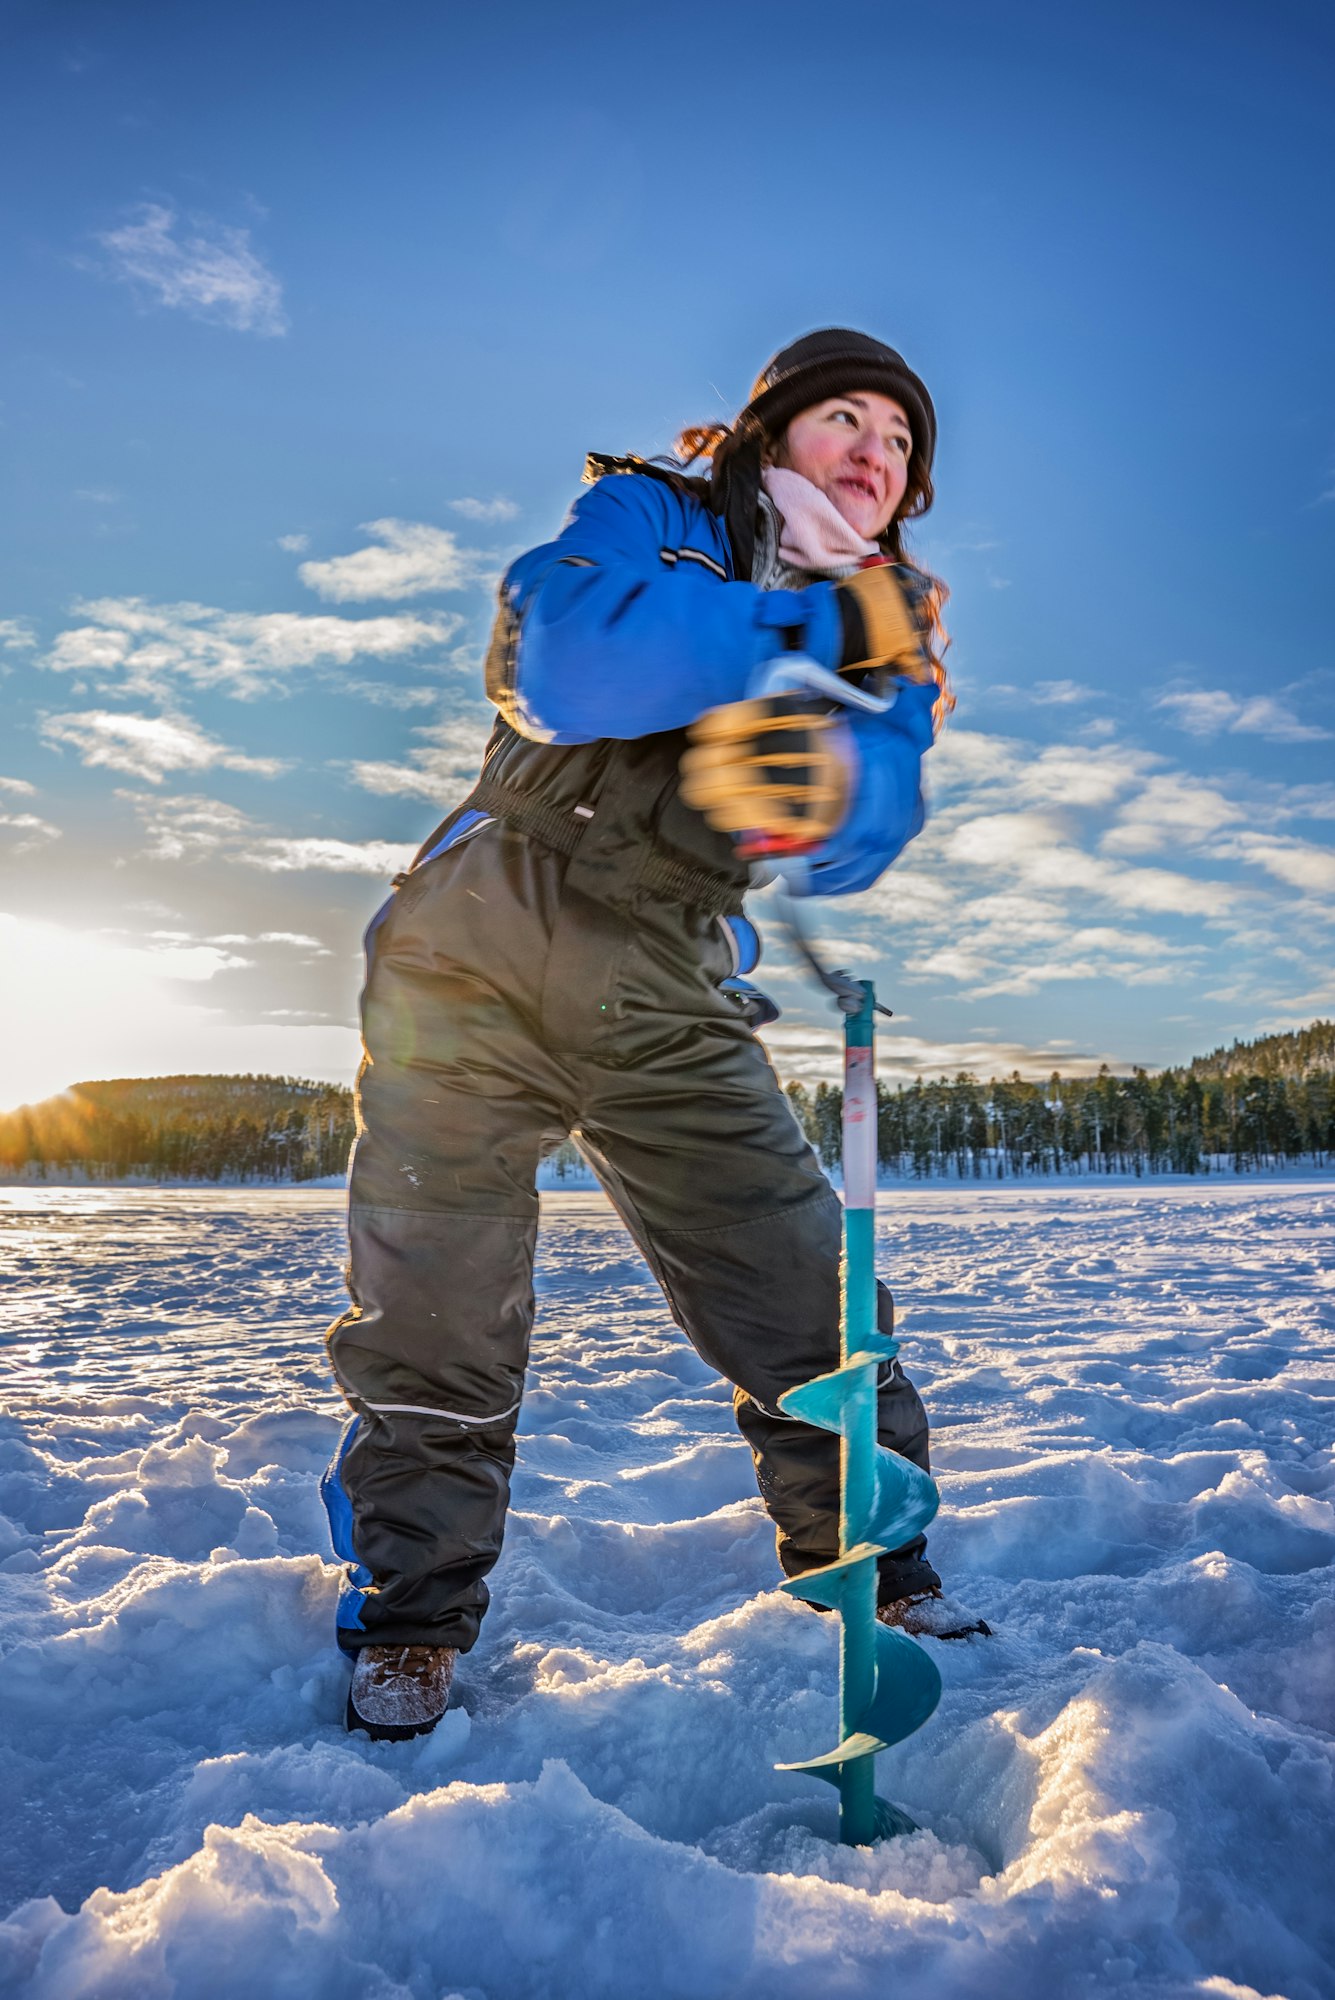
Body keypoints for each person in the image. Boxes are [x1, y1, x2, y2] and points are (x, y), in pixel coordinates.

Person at [321, 327, 979, 1745]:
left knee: (805, 1292)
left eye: (902, 442)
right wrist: (803, 637)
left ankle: (874, 1567)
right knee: (438, 1304)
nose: (876, 453)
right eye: (848, 418)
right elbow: (562, 659)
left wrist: (821, 785)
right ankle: (413, 1616)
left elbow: (876, 810)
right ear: (773, 429)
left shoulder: (898, 625)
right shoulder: (650, 513)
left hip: (668, 975)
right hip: (473, 944)